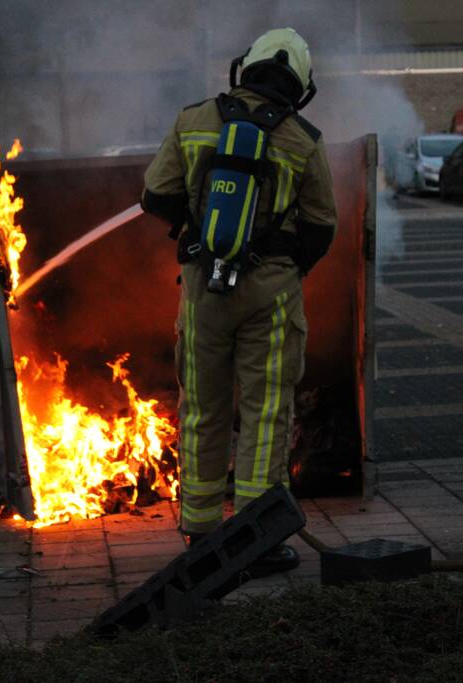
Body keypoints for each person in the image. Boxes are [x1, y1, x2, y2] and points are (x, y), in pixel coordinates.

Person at [141, 27, 337, 576]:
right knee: (265, 412)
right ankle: (254, 541)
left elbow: (154, 195)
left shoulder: (194, 120)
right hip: (271, 296)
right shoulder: (303, 139)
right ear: (299, 85)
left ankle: (199, 534)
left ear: (243, 68)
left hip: (204, 291)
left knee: (202, 409)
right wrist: (286, 266)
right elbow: (323, 224)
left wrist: (193, 230)